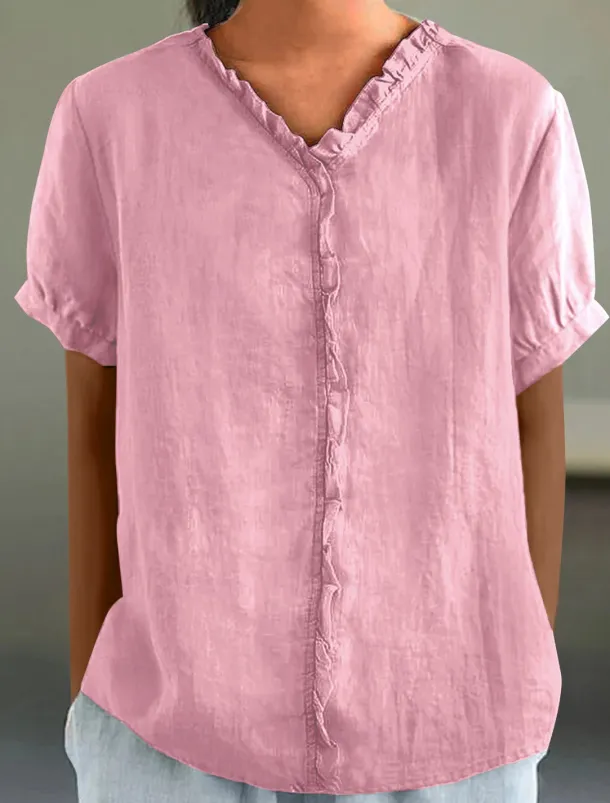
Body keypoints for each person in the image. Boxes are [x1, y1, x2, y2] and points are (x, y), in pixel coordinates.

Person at [14, 1, 608, 801]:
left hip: (459, 744)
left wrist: (511, 685)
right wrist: (96, 718)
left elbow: (532, 427)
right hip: (162, 748)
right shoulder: (109, 117)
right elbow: (94, 433)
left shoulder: (512, 116)